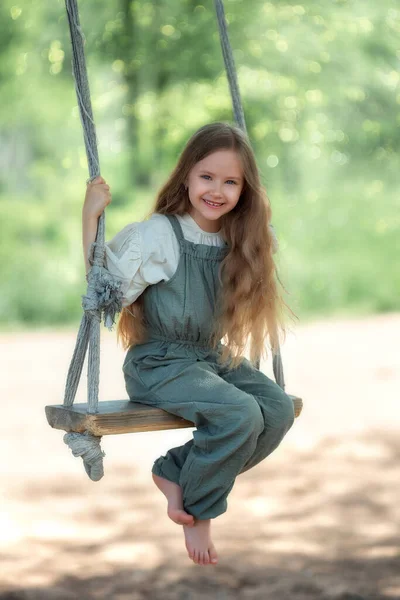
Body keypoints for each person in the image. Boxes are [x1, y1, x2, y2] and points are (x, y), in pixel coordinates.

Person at [82, 122, 295, 567]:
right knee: (239, 414)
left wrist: (257, 240)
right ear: (186, 176)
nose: (217, 190)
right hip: (159, 362)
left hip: (208, 359)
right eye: (207, 177)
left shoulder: (238, 237)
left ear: (244, 188)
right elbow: (104, 291)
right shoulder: (159, 235)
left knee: (273, 411)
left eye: (230, 181)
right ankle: (200, 511)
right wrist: (90, 217)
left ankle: (176, 470)